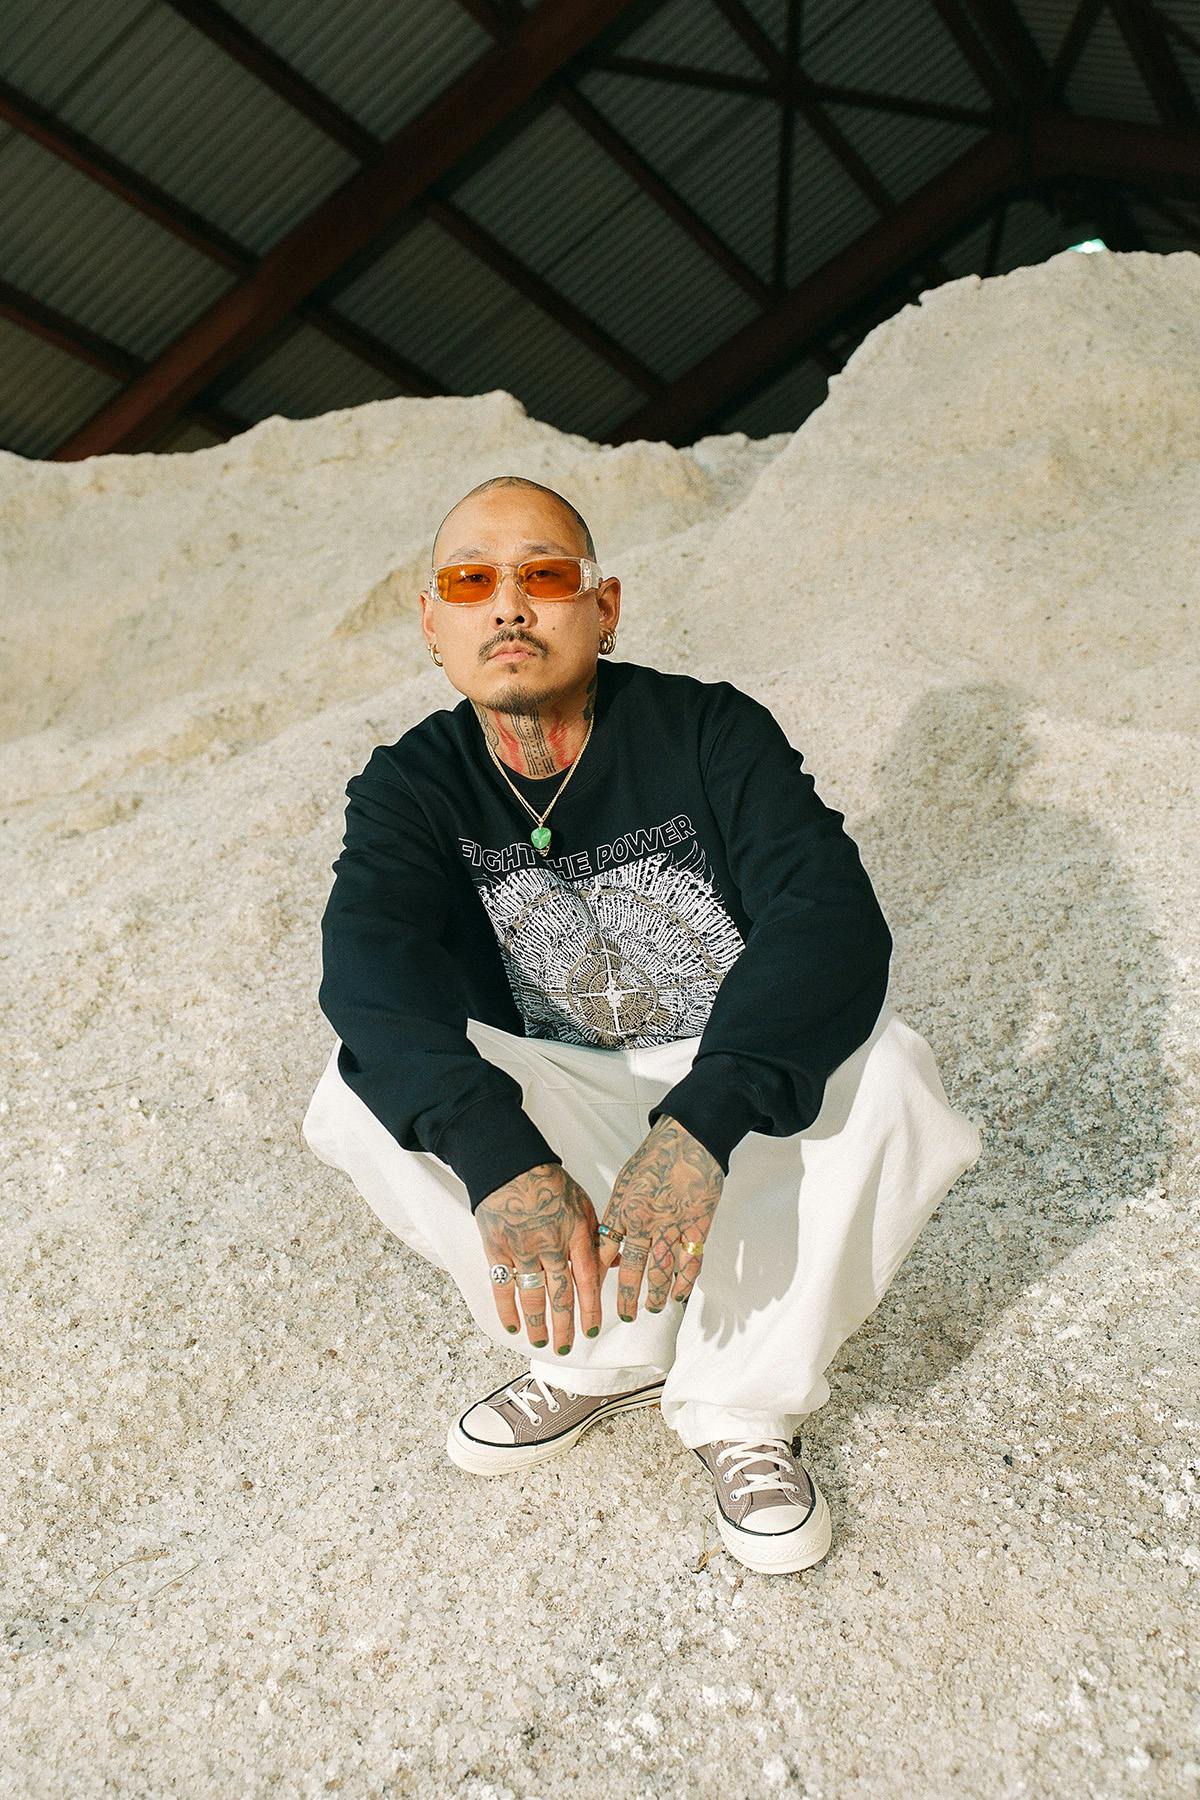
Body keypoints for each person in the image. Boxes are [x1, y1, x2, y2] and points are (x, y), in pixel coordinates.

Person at [301, 474, 983, 1577]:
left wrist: (706, 1117)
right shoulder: (410, 786)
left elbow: (828, 919)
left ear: (604, 607)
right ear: (433, 624)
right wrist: (495, 1153)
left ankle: (740, 1406)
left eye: (545, 575)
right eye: (471, 583)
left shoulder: (707, 729)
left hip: (723, 1082)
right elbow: (370, 969)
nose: (508, 605)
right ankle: (602, 1356)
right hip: (561, 1092)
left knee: (896, 1076)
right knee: (354, 1093)